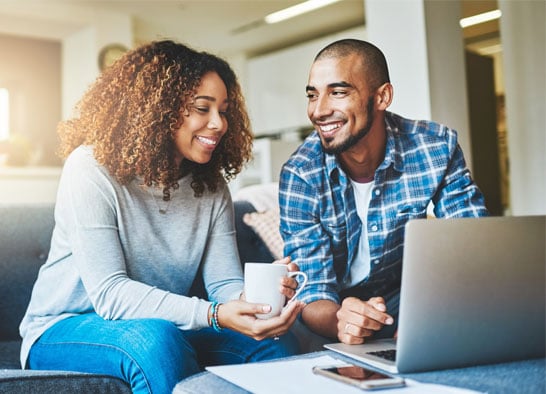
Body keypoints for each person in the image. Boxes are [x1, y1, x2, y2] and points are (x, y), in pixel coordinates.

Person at [19, 40, 305, 394]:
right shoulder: (90, 168)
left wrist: (259, 302)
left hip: (161, 325)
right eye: (203, 108)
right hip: (63, 328)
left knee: (274, 344)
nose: (218, 124)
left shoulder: (211, 186)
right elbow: (110, 293)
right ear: (158, 110)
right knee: (154, 340)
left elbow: (223, 285)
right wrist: (214, 315)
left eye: (224, 110)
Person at [279, 39, 488, 346]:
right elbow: (313, 293)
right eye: (313, 95)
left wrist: (433, 311)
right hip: (332, 307)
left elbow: (472, 245)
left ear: (382, 97)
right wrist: (344, 320)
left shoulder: (434, 147)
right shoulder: (301, 173)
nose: (319, 110)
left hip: (404, 295)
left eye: (338, 92)